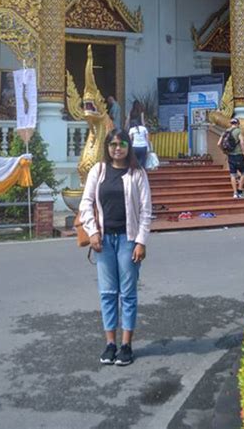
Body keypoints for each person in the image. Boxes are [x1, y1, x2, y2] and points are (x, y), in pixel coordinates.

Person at [79, 129, 152, 366]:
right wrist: (92, 232)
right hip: (103, 240)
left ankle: (126, 345)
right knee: (108, 293)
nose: (117, 148)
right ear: (106, 147)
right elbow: (86, 204)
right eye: (112, 144)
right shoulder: (97, 171)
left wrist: (141, 241)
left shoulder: (137, 173)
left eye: (121, 144)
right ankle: (110, 343)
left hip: (128, 239)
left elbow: (146, 211)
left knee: (128, 294)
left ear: (129, 146)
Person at [218, 117, 244, 199]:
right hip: (239, 155)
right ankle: (240, 191)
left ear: (231, 123)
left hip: (230, 156)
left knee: (233, 175)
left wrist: (224, 151)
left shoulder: (225, 132)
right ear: (238, 124)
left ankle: (235, 193)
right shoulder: (238, 131)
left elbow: (218, 144)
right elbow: (242, 143)